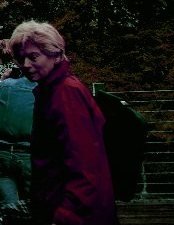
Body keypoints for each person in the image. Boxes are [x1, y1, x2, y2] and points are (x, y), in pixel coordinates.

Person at [9, 20, 116, 225]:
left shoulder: (66, 94)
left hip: (74, 213)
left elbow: (84, 164)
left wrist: (66, 215)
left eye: (33, 57)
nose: (25, 65)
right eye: (21, 58)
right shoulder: (52, 89)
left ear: (56, 55)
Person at [0, 66, 36, 222]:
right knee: (32, 208)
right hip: (30, 153)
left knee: (9, 211)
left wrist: (2, 79)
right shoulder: (44, 89)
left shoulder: (7, 85)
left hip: (1, 151)